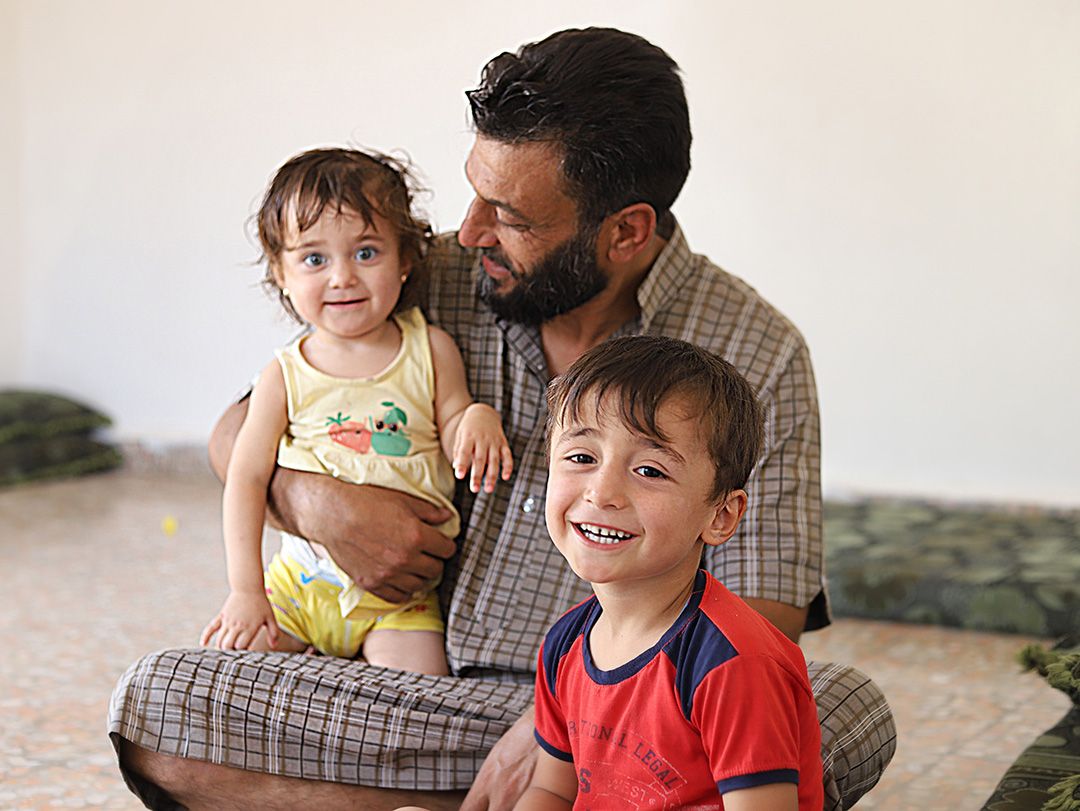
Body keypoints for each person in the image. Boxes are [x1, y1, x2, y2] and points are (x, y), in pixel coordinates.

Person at [109, 27, 895, 811]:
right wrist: (321, 504)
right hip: (410, 690)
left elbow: (768, 608)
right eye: (475, 190)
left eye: (510, 213)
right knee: (160, 701)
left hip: (629, 716)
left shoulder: (755, 348)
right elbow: (233, 433)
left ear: (626, 231)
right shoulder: (425, 275)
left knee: (840, 706)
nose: (472, 227)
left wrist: (560, 723)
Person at [198, 148, 512, 673]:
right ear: (281, 272)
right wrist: (245, 591)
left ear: (405, 260)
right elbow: (247, 479)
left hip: (400, 605)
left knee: (420, 705)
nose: (342, 277)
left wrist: (477, 417)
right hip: (297, 590)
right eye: (314, 259)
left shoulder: (430, 350)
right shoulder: (285, 373)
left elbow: (455, 422)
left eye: (366, 253)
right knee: (221, 681)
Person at [520, 336, 822, 810]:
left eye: (650, 470)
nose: (603, 493)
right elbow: (551, 791)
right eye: (582, 458)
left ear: (720, 516)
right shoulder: (565, 644)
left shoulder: (731, 664)